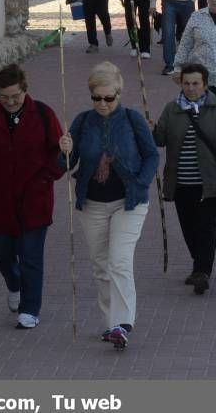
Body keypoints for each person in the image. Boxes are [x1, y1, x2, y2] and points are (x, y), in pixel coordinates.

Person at [57, 62, 159, 349]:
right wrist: (63, 150)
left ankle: (123, 323)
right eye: (96, 97)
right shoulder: (82, 121)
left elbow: (151, 155)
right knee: (101, 266)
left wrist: (140, 183)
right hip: (92, 203)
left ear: (119, 93)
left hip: (129, 202)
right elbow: (65, 164)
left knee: (119, 262)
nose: (102, 103)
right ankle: (111, 324)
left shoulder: (132, 119)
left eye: (108, 97)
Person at [0, 64, 64, 330]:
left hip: (34, 199)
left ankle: (30, 309)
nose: (10, 102)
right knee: (0, 252)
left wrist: (47, 176)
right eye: (4, 96)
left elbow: (60, 155)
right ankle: (14, 283)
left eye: (15, 96)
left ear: (25, 90)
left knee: (30, 255)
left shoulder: (43, 114)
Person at [152, 63, 216, 295]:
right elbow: (159, 140)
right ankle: (199, 264)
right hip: (181, 182)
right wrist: (151, 130)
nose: (191, 88)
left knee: (207, 227)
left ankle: (202, 271)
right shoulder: (172, 109)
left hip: (210, 183)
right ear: (181, 84)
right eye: (187, 83)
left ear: (205, 85)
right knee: (188, 227)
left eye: (196, 83)